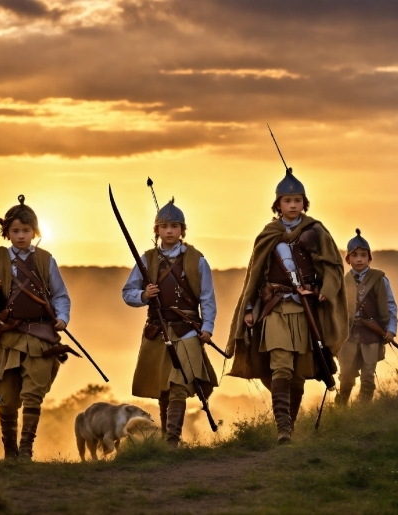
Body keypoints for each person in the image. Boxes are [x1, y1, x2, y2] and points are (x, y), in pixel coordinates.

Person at [226, 169, 348, 443]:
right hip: (276, 309)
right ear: (278, 204)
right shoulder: (269, 233)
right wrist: (248, 309)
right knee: (280, 367)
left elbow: (333, 267)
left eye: (297, 200)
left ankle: (289, 428)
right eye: (287, 200)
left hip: (307, 312)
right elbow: (254, 277)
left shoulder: (316, 231)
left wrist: (323, 291)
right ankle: (283, 429)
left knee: (298, 374)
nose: (293, 205)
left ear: (304, 202)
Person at [0, 195, 71, 460]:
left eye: (26, 230)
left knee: (34, 395)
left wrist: (62, 319)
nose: (21, 235)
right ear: (7, 232)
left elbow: (60, 296)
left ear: (34, 232)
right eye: (15, 231)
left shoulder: (47, 260)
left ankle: (25, 451)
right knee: (9, 399)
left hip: (40, 336)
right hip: (8, 338)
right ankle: (10, 454)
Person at [122, 198, 218, 448]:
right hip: (157, 330)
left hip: (187, 331)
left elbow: (207, 297)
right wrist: (145, 295)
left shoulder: (197, 260)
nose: (169, 231)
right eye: (164, 226)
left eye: (174, 226)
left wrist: (207, 327)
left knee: (178, 387)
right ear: (157, 230)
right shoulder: (147, 260)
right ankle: (167, 442)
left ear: (182, 230)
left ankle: (172, 441)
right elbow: (127, 293)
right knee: (163, 390)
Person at [335, 229, 398, 404]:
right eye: (354, 255)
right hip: (348, 335)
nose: (359, 259)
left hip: (372, 333)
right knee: (346, 376)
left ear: (369, 257)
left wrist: (391, 330)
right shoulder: (342, 281)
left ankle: (363, 412)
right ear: (348, 259)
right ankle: (340, 411)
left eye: (364, 255)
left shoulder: (379, 279)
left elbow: (391, 306)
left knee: (368, 375)